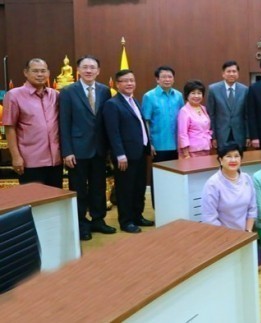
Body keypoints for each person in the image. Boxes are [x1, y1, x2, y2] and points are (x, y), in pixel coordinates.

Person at [59, 55, 115, 241]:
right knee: (79, 188)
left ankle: (98, 220)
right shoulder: (68, 91)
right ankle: (81, 223)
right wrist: (67, 151)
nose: (89, 70)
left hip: (99, 149)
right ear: (78, 70)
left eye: (93, 67)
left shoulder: (105, 91)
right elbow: (64, 123)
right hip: (77, 150)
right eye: (85, 67)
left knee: (99, 187)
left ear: (98, 70)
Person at [103, 69, 154, 233]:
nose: (129, 83)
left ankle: (138, 216)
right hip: (125, 155)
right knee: (125, 190)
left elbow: (140, 125)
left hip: (139, 152)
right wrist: (119, 154)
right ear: (118, 84)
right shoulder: (112, 104)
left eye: (132, 80)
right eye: (125, 81)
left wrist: (148, 144)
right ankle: (126, 221)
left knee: (139, 187)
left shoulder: (134, 101)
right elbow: (113, 132)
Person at [2, 58, 62, 188]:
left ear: (48, 73)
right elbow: (9, 127)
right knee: (34, 202)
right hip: (30, 161)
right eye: (35, 71)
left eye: (43, 71)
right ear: (26, 72)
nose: (40, 75)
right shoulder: (14, 95)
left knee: (55, 201)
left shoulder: (55, 95)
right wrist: (16, 157)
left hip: (55, 161)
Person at [141, 66, 183, 207]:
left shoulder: (178, 96)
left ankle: (174, 207)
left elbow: (183, 118)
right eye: (163, 77)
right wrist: (149, 143)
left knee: (176, 178)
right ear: (157, 79)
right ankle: (159, 208)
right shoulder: (149, 96)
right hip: (158, 145)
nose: (167, 79)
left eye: (170, 76)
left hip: (177, 146)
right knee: (159, 179)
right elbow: (145, 121)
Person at [201, 142, 257, 231]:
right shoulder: (212, 184)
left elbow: (252, 209)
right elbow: (209, 219)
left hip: (245, 233)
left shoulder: (247, 179)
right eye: (228, 156)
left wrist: (248, 231)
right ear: (220, 160)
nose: (233, 160)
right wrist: (231, 237)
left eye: (236, 156)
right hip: (221, 235)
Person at [207, 60, 249, 151]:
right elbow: (211, 115)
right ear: (223, 74)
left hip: (239, 134)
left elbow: (247, 115)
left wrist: (248, 136)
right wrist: (213, 136)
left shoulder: (245, 90)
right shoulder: (213, 89)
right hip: (221, 134)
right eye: (228, 71)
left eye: (234, 71)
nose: (231, 74)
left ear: (238, 73)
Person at [177, 80, 212, 158]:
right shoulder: (184, 111)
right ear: (187, 95)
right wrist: (186, 154)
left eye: (199, 93)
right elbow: (182, 134)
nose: (196, 96)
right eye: (193, 93)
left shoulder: (203, 108)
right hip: (191, 151)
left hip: (205, 148)